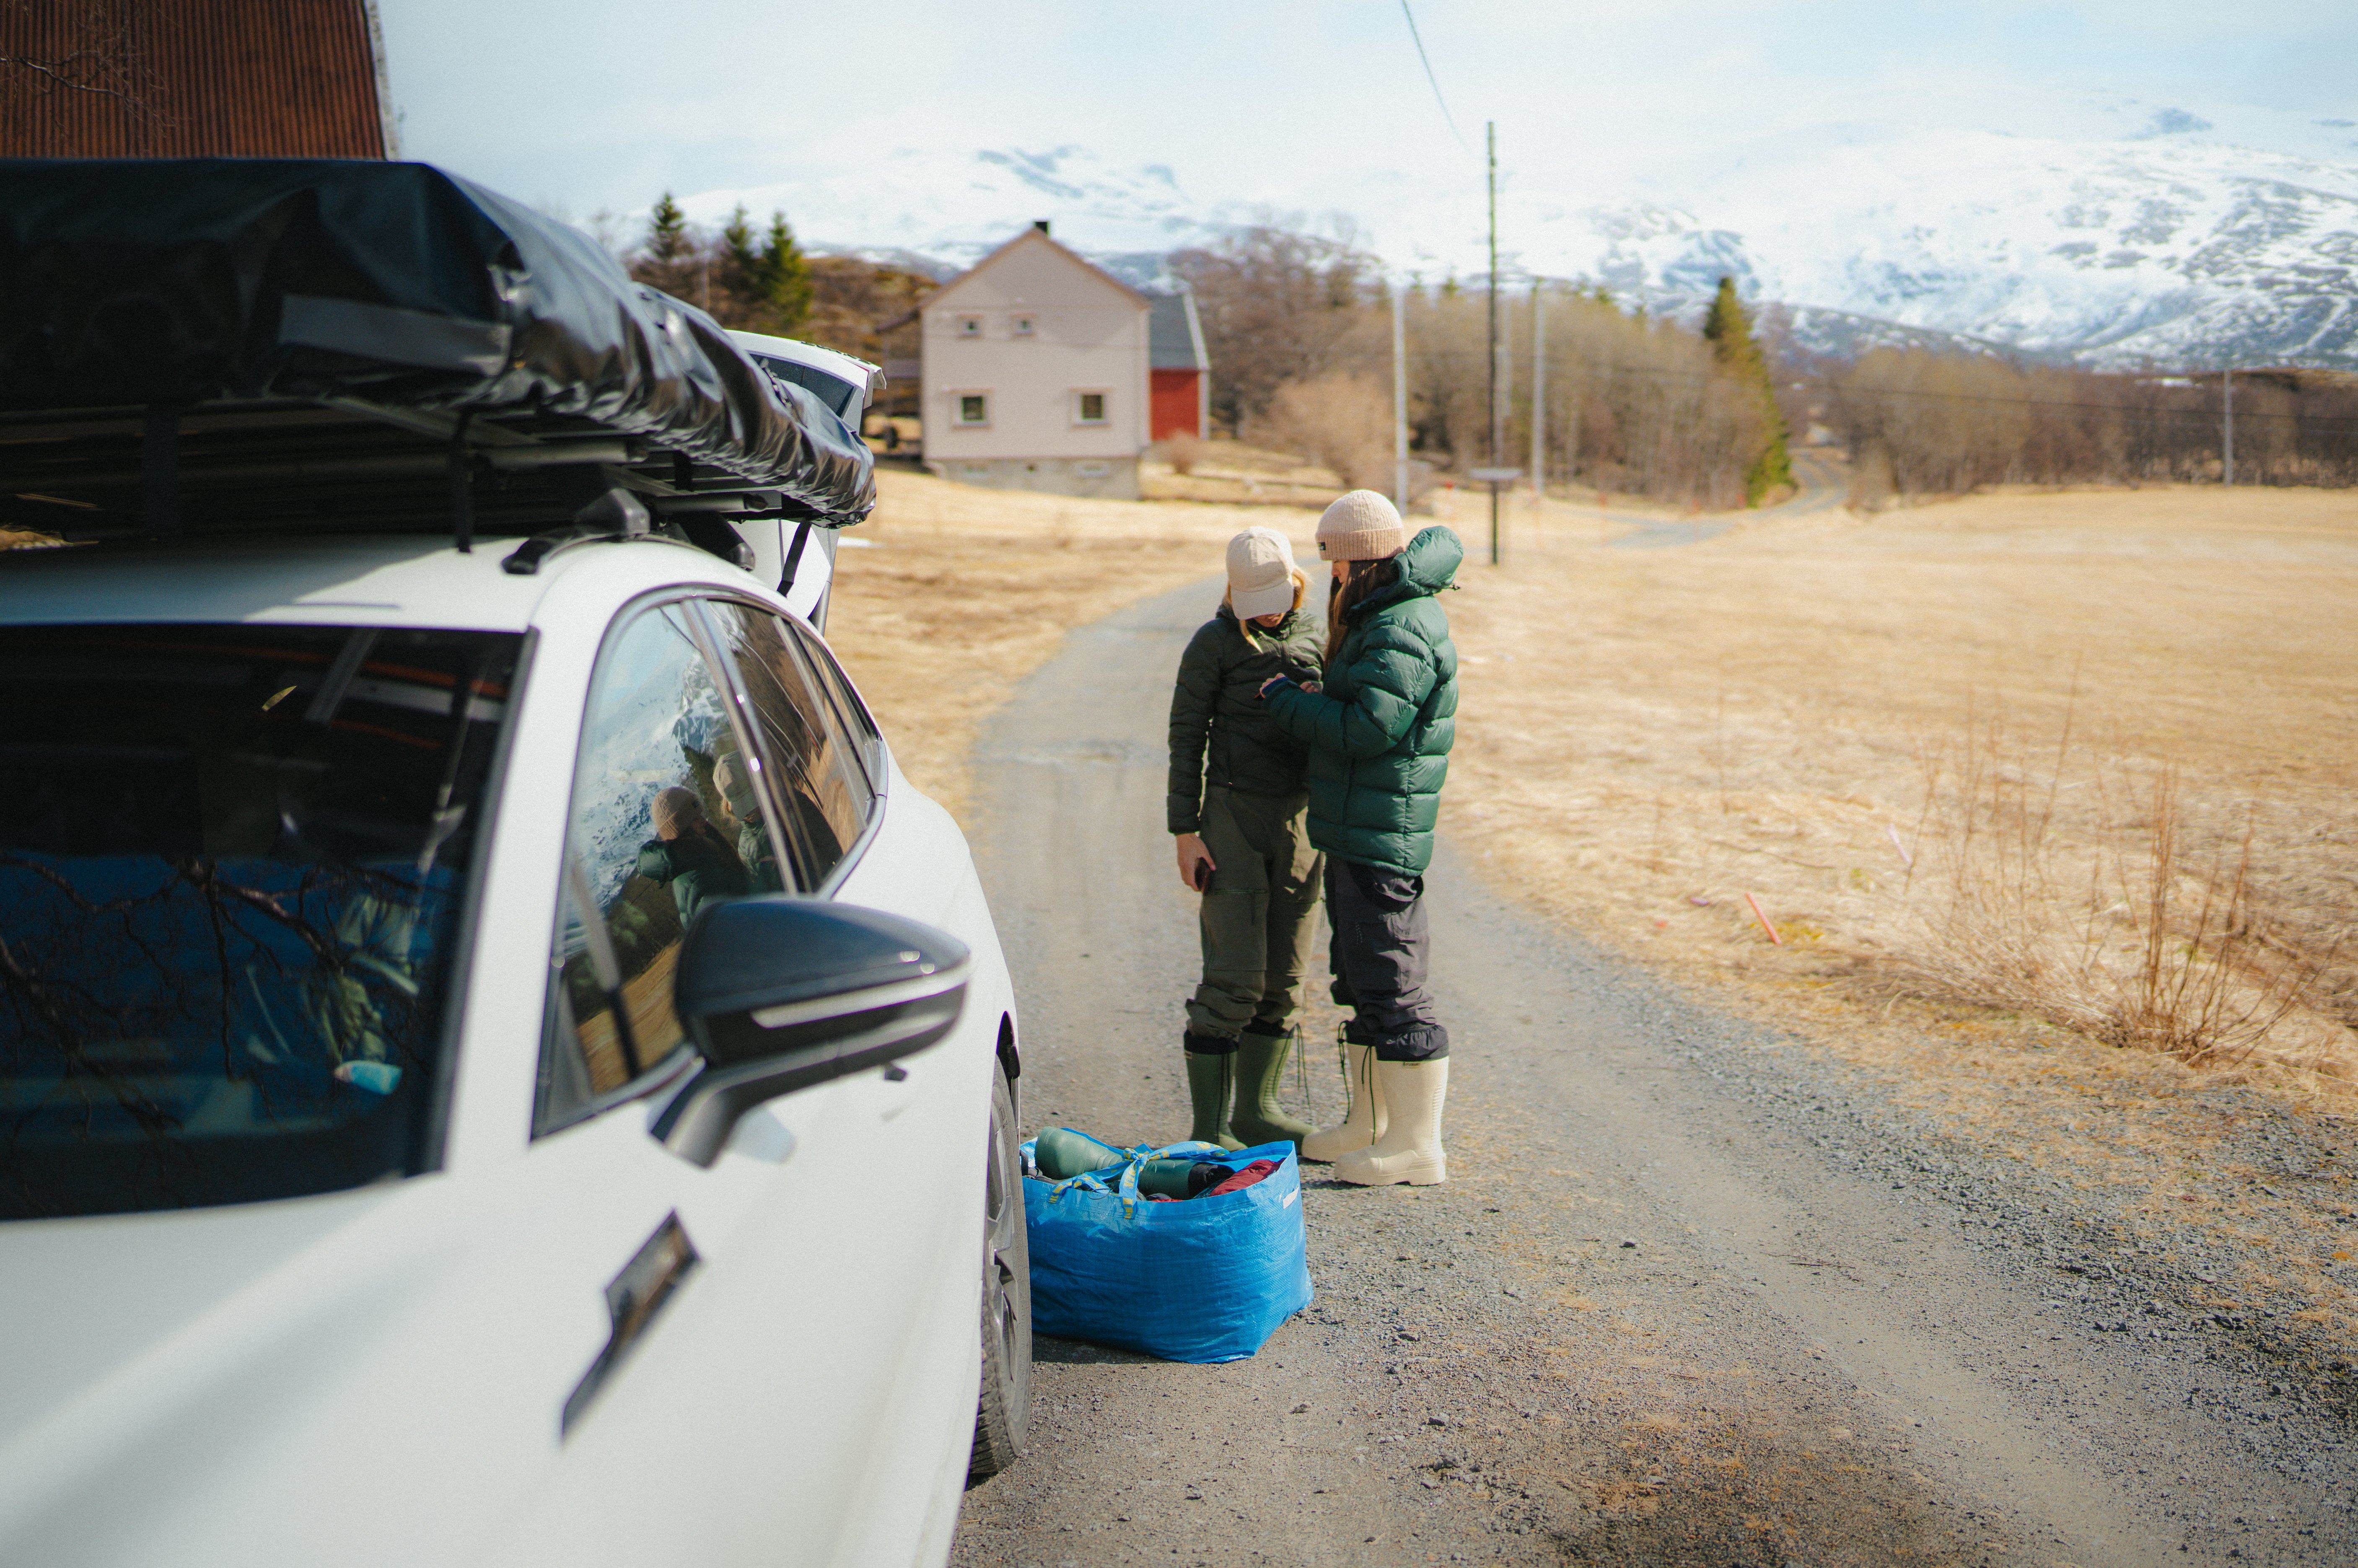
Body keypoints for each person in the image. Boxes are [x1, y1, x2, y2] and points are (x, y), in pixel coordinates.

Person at [1260, 491, 1461, 1186]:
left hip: (1384, 832)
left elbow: (1369, 729)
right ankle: (1370, 1127)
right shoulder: (1383, 614)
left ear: (1357, 558)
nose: (1331, 575)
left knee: (1395, 982)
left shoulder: (1400, 624)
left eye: (1333, 558)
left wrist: (1289, 704)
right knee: (1363, 977)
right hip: (1360, 825)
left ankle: (1415, 1147)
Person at [1166, 525, 1327, 1149]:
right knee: (1233, 977)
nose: (1266, 607)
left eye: (1276, 593)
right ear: (1232, 591)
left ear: (1294, 582)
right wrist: (1185, 831)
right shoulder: (1212, 644)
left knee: (1285, 980)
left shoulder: (1318, 633)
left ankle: (1255, 1112)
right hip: (1231, 818)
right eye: (1252, 596)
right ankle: (1206, 1130)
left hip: (1301, 823)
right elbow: (1187, 739)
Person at [635, 784, 750, 927]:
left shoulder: (700, 862)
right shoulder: (699, 881)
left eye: (700, 815)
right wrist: (766, 873)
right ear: (683, 830)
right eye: (695, 818)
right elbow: (742, 924)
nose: (704, 821)